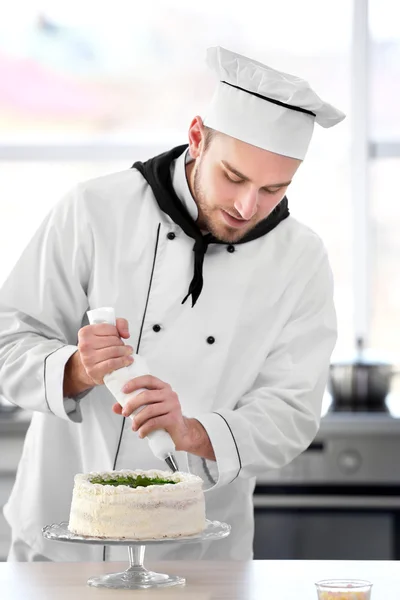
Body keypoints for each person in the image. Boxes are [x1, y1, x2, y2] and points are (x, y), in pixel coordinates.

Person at [0, 46, 345, 562]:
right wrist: (76, 368)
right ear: (197, 138)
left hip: (199, 561)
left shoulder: (301, 259)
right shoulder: (95, 211)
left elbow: (291, 412)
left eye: (274, 188)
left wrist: (193, 432)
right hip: (58, 544)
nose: (247, 206)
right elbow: (8, 341)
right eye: (234, 177)